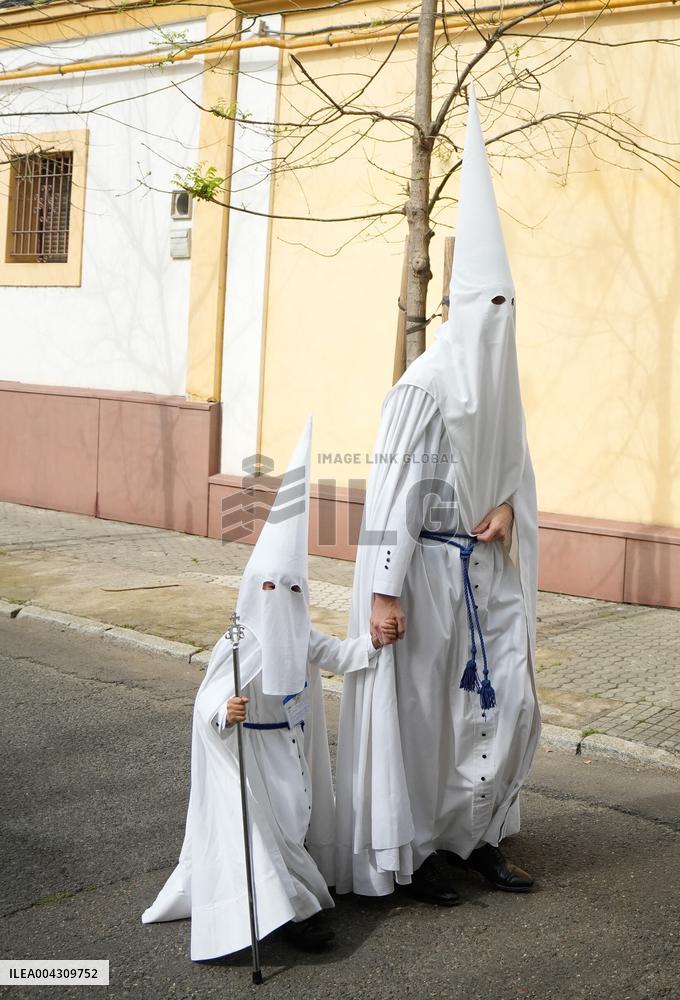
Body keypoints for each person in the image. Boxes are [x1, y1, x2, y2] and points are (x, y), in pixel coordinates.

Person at [335, 84, 541, 906]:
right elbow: (391, 490)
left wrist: (508, 510)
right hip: (424, 571)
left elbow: (519, 469)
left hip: (485, 568)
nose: (499, 319)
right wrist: (384, 590)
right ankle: (419, 850)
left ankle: (481, 834)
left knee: (503, 703)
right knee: (425, 717)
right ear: (461, 309)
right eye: (488, 305)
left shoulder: (505, 389)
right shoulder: (425, 386)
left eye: (509, 306)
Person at [141, 418, 395, 960]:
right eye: (272, 587)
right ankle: (283, 921)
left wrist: (375, 643)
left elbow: (340, 655)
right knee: (260, 834)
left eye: (294, 588)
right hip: (250, 751)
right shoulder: (241, 641)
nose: (283, 597)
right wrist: (222, 709)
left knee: (288, 829)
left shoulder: (299, 635)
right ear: (255, 588)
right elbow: (206, 696)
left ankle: (291, 906)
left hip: (291, 750)